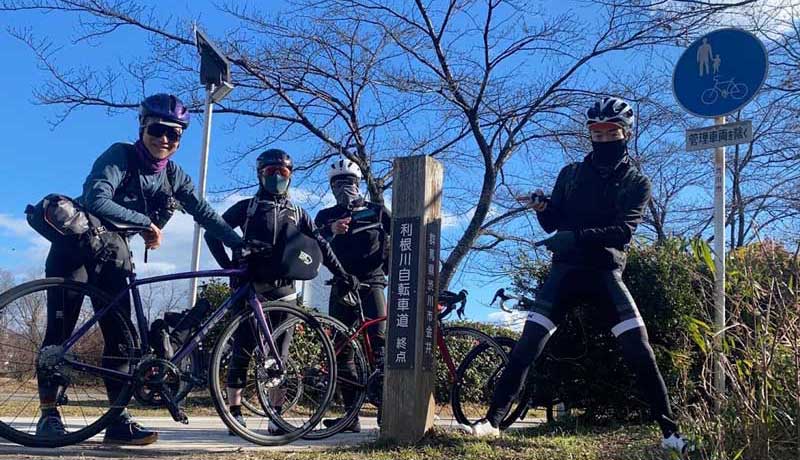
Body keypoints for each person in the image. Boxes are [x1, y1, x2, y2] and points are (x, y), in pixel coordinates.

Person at [467, 97, 688, 454]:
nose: (602, 139)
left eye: (610, 132)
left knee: (639, 351)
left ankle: (670, 433)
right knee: (527, 346)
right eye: (595, 133)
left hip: (604, 273)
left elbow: (623, 232)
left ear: (626, 134)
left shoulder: (636, 181)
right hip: (565, 273)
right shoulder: (570, 174)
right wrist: (543, 208)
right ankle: (492, 422)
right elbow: (555, 220)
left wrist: (577, 237)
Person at [36, 93, 245, 445]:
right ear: (143, 127)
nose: (164, 139)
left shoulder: (175, 176)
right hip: (74, 250)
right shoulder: (120, 155)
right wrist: (146, 223)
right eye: (157, 130)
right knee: (59, 333)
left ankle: (116, 420)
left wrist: (240, 244)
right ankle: (49, 415)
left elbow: (205, 214)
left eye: (174, 134)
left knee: (121, 337)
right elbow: (95, 198)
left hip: (112, 256)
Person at [204, 148, 358, 435]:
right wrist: (228, 265)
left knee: (280, 356)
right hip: (249, 287)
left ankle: (276, 414)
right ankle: (235, 412)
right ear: (260, 175)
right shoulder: (247, 207)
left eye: (283, 172)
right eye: (270, 172)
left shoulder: (298, 213)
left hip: (284, 292)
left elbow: (321, 245)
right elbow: (212, 233)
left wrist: (342, 274)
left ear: (291, 176)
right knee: (243, 349)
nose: (276, 177)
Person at [314, 157, 391, 433]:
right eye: (337, 183)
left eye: (349, 182)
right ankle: (350, 416)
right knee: (342, 349)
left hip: (373, 284)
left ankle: (388, 412)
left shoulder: (378, 211)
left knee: (381, 347)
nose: (343, 188)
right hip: (341, 285)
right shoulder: (325, 216)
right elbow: (313, 248)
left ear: (358, 184)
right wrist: (330, 232)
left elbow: (402, 240)